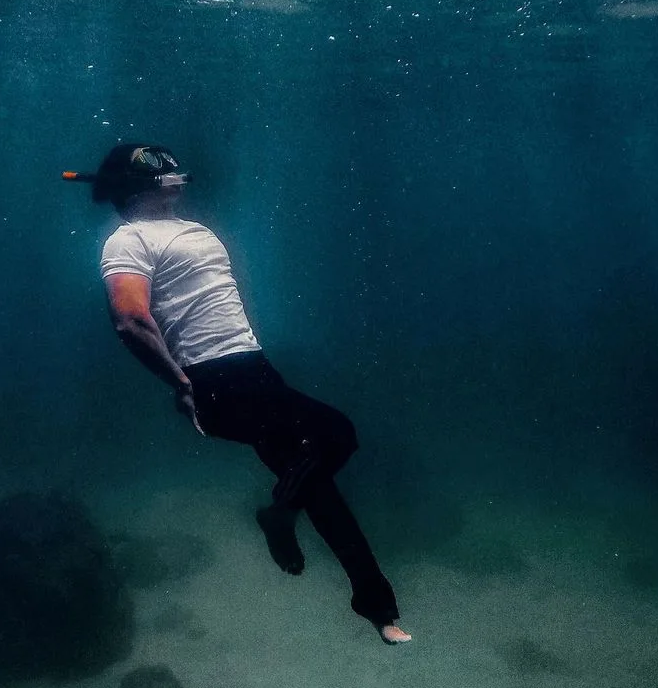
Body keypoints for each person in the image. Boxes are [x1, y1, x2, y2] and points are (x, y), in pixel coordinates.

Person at [63, 142, 411, 644]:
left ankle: (376, 606)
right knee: (337, 432)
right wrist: (180, 384)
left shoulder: (195, 230)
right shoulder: (127, 239)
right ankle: (280, 514)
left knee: (317, 486)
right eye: (158, 169)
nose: (174, 174)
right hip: (211, 380)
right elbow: (130, 321)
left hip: (253, 368)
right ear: (134, 187)